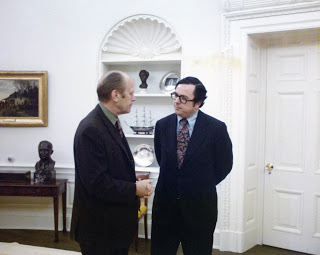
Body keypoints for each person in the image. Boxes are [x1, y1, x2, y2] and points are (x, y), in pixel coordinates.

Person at [70, 70, 153, 255]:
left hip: (113, 229)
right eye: (131, 93)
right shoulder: (91, 129)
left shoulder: (110, 121)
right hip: (100, 232)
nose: (134, 98)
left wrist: (135, 185)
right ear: (115, 95)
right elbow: (97, 184)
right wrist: (134, 189)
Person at [151, 76, 233, 255]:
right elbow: (162, 158)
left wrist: (200, 183)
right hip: (165, 208)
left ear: (198, 103)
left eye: (183, 98)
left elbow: (224, 165)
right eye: (175, 95)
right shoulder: (162, 126)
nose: (176, 102)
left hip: (200, 210)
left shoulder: (216, 129)